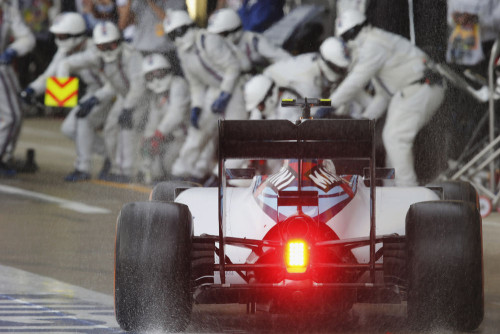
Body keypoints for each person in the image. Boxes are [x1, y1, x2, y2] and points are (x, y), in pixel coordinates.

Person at [330, 9, 445, 186]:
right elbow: (383, 96)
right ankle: (393, 194)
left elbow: (355, 81)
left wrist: (329, 103)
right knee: (392, 140)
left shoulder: (373, 44)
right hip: (414, 88)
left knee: (395, 138)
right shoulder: (374, 44)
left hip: (421, 86)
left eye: (346, 37)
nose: (348, 42)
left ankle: (409, 194)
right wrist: (364, 121)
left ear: (354, 32)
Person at [20, 12, 114, 182]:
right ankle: (110, 155)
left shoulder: (95, 47)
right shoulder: (65, 52)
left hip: (111, 91)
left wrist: (62, 95)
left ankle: (83, 168)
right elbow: (50, 75)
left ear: (76, 35)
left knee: (83, 120)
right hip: (94, 92)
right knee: (69, 129)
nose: (59, 40)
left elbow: (75, 63)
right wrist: (31, 90)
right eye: (57, 36)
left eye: (62, 36)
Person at [57, 21, 146, 183]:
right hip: (123, 96)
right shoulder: (95, 55)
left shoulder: (132, 55)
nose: (106, 50)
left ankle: (128, 171)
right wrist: (91, 98)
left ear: (119, 41)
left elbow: (138, 86)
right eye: (102, 46)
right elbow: (113, 85)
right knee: (110, 129)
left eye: (111, 45)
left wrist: (127, 108)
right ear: (96, 46)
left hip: (142, 98)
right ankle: (115, 166)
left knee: (127, 130)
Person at [163, 10, 246, 183]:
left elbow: (233, 67)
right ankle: (182, 171)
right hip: (215, 90)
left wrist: (225, 94)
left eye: (180, 32)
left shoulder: (208, 40)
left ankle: (220, 177)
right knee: (199, 130)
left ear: (190, 26)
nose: (178, 38)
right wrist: (197, 106)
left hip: (236, 87)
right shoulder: (182, 52)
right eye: (172, 36)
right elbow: (196, 84)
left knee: (236, 134)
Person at [138, 53, 190, 184]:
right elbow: (153, 120)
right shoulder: (156, 95)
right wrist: (148, 138)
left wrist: (158, 134)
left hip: (188, 137)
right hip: (172, 137)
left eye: (159, 74)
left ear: (168, 71)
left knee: (170, 166)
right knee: (149, 151)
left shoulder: (179, 84)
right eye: (150, 76)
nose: (156, 80)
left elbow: (176, 113)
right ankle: (149, 172)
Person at [0, 1, 36, 176]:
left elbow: (27, 38)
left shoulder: (8, 11)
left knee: (16, 113)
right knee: (12, 116)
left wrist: (13, 50)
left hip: (3, 67)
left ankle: (5, 156)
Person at [207, 7, 291, 75]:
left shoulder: (254, 41)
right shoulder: (216, 48)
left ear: (234, 31)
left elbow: (284, 59)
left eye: (221, 35)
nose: (216, 39)